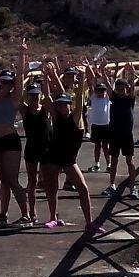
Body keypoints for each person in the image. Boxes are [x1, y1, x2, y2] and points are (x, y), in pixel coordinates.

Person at [38, 64, 100, 233]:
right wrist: (46, 77)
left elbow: (79, 98)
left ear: (69, 105)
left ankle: (89, 222)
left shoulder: (75, 116)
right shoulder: (56, 117)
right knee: (52, 187)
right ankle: (53, 217)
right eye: (59, 105)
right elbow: (47, 97)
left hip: (68, 159)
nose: (61, 107)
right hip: (54, 156)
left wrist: (82, 76)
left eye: (64, 104)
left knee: (83, 187)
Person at [0, 41, 32, 226]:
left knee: (12, 179)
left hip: (10, 140)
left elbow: (20, 78)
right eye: (3, 82)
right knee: (3, 180)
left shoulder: (14, 98)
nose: (5, 85)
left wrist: (21, 55)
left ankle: (26, 216)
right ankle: (3, 214)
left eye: (8, 82)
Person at [104, 69, 138, 198]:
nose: (120, 91)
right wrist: (103, 72)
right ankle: (112, 185)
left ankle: (132, 187)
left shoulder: (130, 99)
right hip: (114, 134)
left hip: (127, 135)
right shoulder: (114, 98)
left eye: (122, 88)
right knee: (114, 160)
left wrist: (132, 73)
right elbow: (107, 85)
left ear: (126, 88)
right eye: (118, 89)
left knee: (130, 161)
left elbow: (133, 86)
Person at [20, 82, 50, 224]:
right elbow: (18, 96)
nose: (34, 98)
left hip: (46, 149)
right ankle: (32, 212)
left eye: (36, 95)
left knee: (48, 181)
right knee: (32, 182)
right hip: (31, 149)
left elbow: (48, 96)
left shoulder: (45, 109)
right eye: (31, 95)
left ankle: (53, 212)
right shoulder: (25, 110)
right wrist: (24, 76)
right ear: (28, 96)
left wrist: (46, 78)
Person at [86, 76, 112, 173]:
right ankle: (97, 164)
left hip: (106, 125)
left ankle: (109, 164)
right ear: (96, 91)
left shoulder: (107, 99)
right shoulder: (94, 98)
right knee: (97, 145)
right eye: (99, 90)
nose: (101, 92)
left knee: (105, 146)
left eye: (103, 90)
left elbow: (109, 87)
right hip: (96, 125)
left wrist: (104, 75)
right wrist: (95, 75)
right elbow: (92, 83)